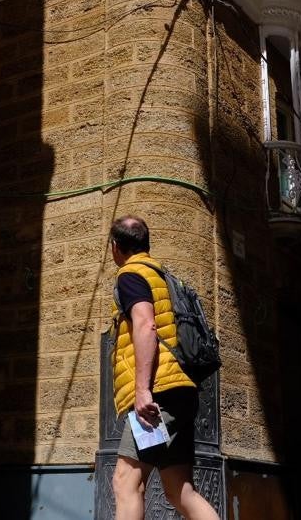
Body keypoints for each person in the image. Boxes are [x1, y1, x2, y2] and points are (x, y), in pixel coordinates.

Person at [107, 215, 218, 520]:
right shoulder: (162, 276)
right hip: (181, 392)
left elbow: (145, 324)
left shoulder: (131, 275)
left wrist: (142, 390)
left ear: (115, 247)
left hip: (158, 398)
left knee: (125, 483)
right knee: (180, 490)